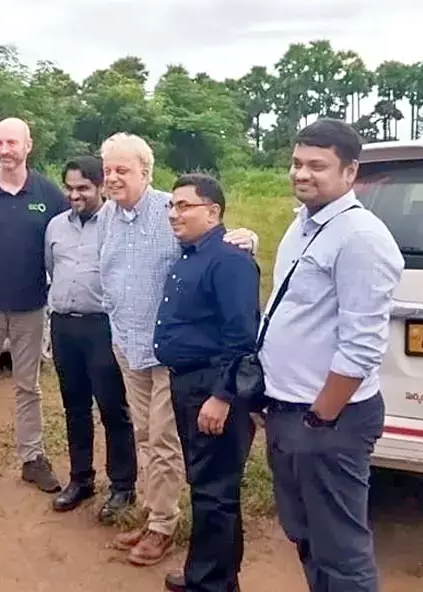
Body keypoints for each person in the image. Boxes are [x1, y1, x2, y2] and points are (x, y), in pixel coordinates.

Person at [99, 133, 258, 567]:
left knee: (165, 440)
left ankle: (163, 528)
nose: (112, 178)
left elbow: (223, 247)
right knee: (145, 436)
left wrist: (249, 238)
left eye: (122, 170)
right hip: (128, 345)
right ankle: (154, 511)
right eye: (108, 170)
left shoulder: (173, 211)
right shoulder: (106, 217)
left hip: (173, 357)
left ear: (145, 173)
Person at [258, 119, 404, 592]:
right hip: (288, 412)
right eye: (297, 163)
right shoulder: (304, 224)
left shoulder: (360, 236)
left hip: (327, 421)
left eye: (317, 166)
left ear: (350, 172)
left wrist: (320, 419)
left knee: (340, 549)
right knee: (305, 536)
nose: (302, 174)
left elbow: (361, 345)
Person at [154, 173, 259, 592]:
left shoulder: (229, 260)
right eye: (172, 206)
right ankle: (213, 575)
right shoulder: (190, 254)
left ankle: (210, 583)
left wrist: (222, 395)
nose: (175, 214)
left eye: (185, 206)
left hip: (212, 387)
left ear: (213, 212)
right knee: (206, 486)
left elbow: (241, 335)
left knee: (215, 491)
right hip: (188, 383)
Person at [0, 117, 68, 502]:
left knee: (28, 386)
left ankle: (32, 457)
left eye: (12, 143)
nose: (5, 150)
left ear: (28, 146)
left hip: (31, 305)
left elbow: (66, 235)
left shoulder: (49, 194)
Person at [44, 155, 137, 522]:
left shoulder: (118, 223)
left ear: (100, 187)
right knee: (75, 407)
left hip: (104, 327)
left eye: (83, 188)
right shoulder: (55, 226)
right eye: (69, 188)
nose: (74, 195)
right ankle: (81, 479)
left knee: (113, 408)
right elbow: (51, 270)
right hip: (64, 325)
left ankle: (123, 485)